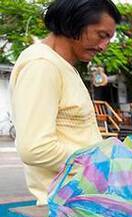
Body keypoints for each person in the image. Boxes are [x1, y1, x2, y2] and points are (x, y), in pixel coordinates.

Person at [9, 0, 121, 205]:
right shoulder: (42, 66)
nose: (104, 47)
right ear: (74, 22)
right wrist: (102, 162)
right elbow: (35, 148)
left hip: (81, 202)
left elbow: (75, 136)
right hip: (65, 207)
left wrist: (114, 151)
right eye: (102, 35)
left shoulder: (62, 65)